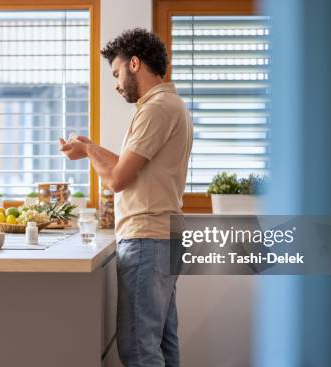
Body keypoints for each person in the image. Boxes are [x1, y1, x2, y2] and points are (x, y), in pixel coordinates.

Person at [59, 28, 193, 367]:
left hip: (147, 238)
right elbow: (129, 168)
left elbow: (118, 180)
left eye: (117, 73)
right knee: (161, 344)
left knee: (138, 349)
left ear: (135, 64)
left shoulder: (156, 109)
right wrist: (91, 148)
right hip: (163, 235)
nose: (116, 84)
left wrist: (89, 151)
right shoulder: (168, 104)